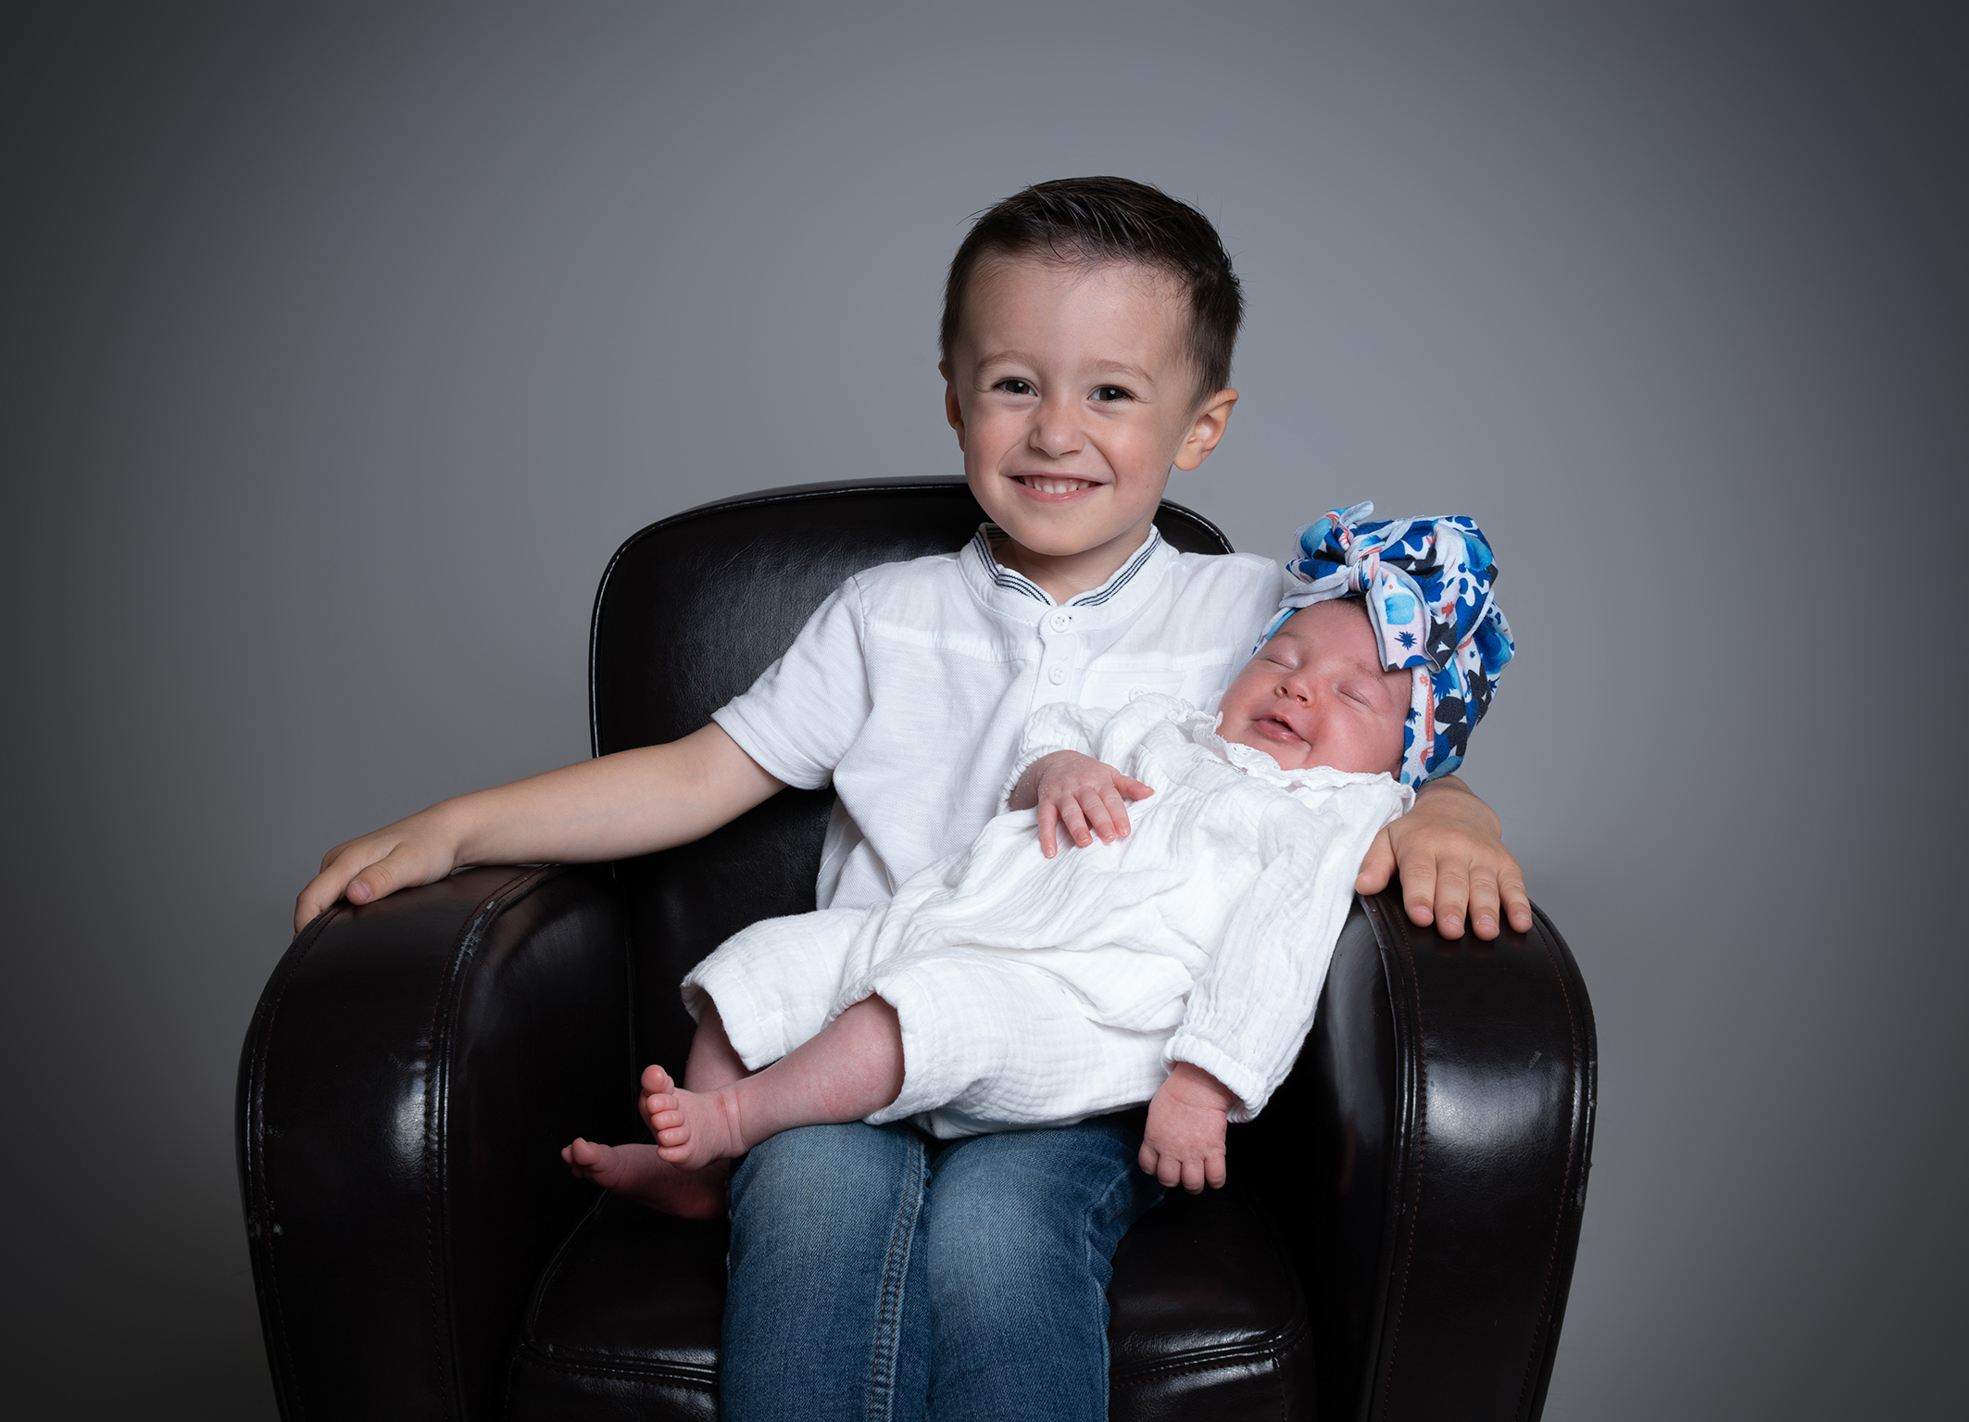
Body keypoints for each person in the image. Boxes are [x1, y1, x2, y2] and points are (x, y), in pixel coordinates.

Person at [295, 178, 1532, 1422]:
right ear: (954, 399)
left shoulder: (1252, 612)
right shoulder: (885, 617)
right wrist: (457, 826)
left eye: (1109, 391)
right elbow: (695, 776)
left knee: (1000, 1244)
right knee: (807, 1220)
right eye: (1013, 385)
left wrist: (1453, 817)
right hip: (855, 1030)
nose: (1056, 430)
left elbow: (1375, 743)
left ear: (1199, 427)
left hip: (1083, 1065)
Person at [570, 507, 1511, 1198]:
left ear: (1410, 753)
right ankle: (692, 1177)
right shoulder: (1169, 730)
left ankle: (736, 1122)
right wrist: (1057, 766)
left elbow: (1276, 955)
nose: (1300, 692)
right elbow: (1057, 728)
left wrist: (1201, 1083)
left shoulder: (1329, 820)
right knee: (758, 966)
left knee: (916, 1015)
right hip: (938, 921)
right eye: (1282, 660)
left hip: (1082, 1007)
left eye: (1352, 697)